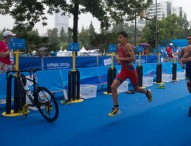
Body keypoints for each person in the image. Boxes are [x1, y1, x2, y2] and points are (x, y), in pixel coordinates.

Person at [107, 31, 152, 117]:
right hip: (124, 70)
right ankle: (116, 108)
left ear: (125, 38)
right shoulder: (118, 46)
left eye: (121, 37)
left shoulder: (127, 46)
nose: (119, 39)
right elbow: (121, 56)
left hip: (131, 71)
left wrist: (120, 58)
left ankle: (147, 92)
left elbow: (133, 58)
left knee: (136, 89)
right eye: (118, 37)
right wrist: (119, 59)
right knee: (113, 86)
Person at [180, 34, 191, 116]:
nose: (189, 40)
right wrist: (181, 63)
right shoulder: (184, 49)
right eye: (188, 39)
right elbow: (180, 58)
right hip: (188, 71)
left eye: (190, 39)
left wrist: (185, 59)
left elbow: (184, 59)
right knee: (190, 90)